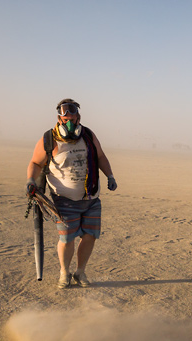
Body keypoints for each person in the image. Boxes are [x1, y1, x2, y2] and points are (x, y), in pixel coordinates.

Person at [26, 98, 117, 289]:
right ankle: (64, 272)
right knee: (66, 238)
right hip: (64, 201)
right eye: (65, 115)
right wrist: (30, 181)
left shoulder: (89, 136)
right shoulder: (49, 140)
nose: (69, 119)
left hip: (91, 197)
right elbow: (35, 163)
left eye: (72, 114)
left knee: (90, 236)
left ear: (78, 116)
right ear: (59, 118)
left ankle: (80, 271)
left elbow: (100, 156)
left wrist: (110, 175)